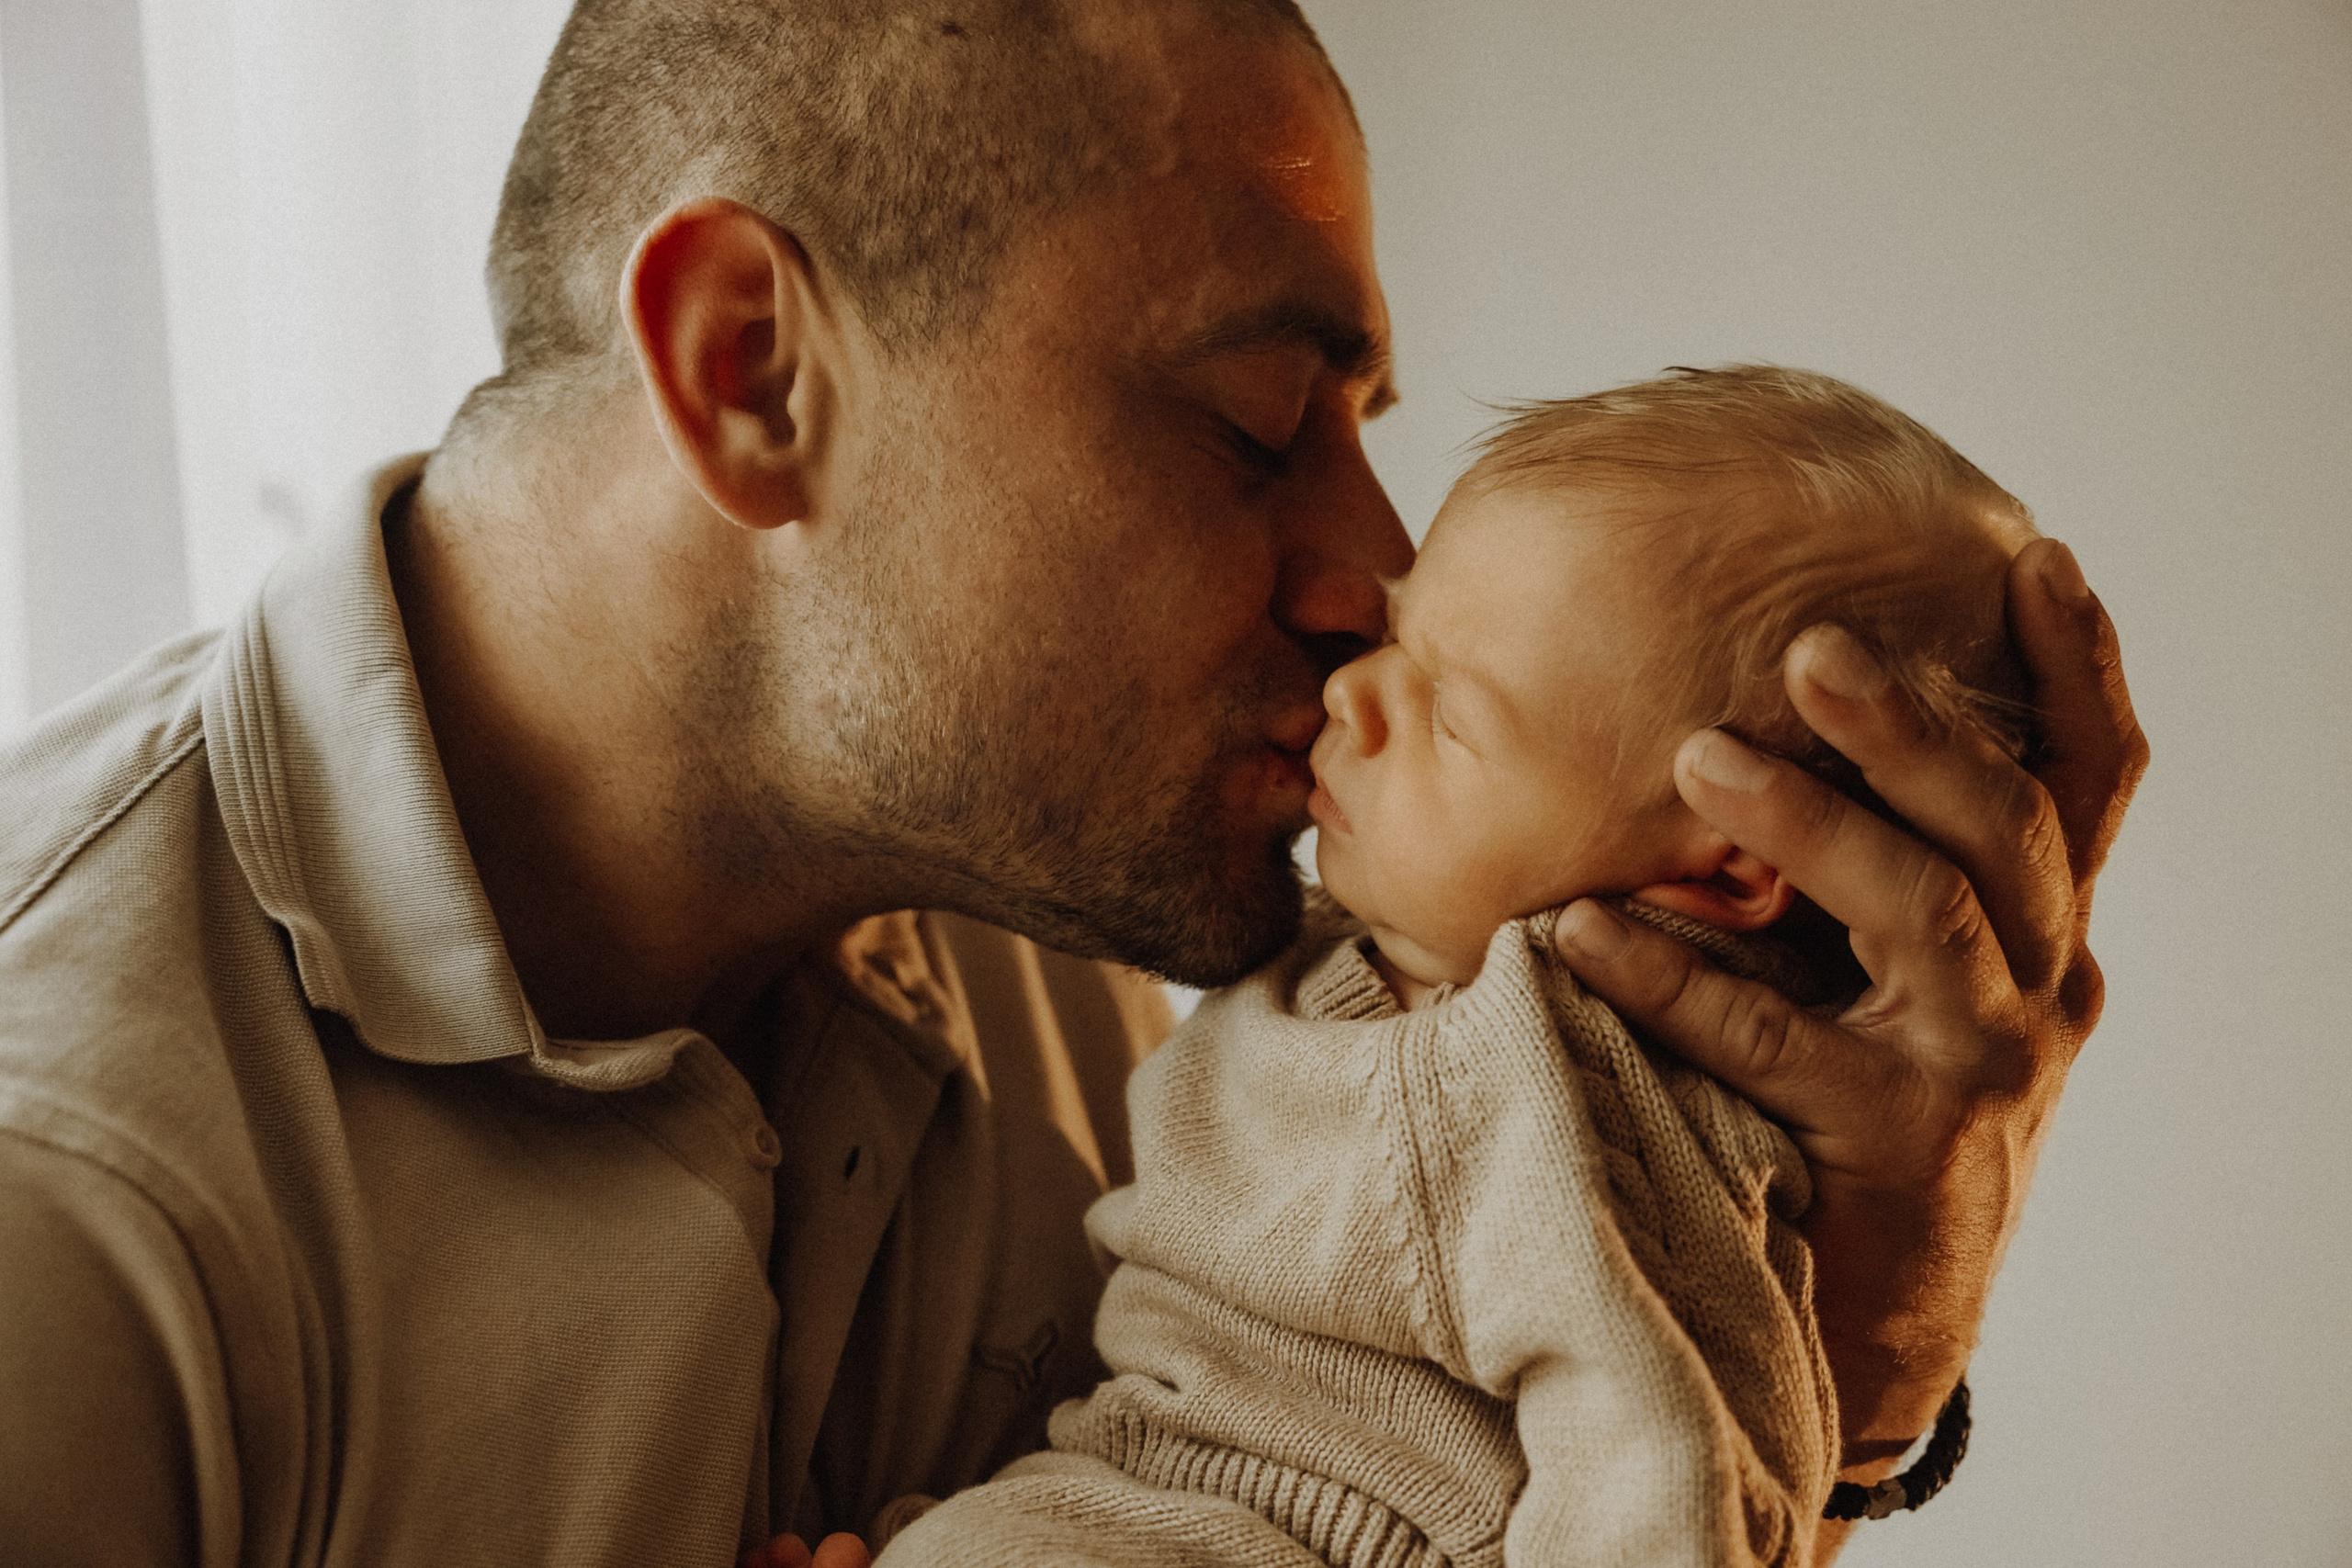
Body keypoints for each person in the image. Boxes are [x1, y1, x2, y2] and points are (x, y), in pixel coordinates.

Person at [0, 1, 2143, 1564]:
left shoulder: (1066, 877)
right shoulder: (71, 1204)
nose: (1381, 573)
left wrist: (1861, 1353)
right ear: (753, 372)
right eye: (1250, 426)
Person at [879, 366, 2042, 1568]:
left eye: (1449, 713)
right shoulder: (1380, 950)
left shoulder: (1559, 1100)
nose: (1352, 690)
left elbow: (1672, 1467)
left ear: (1734, 861)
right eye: (1400, 640)